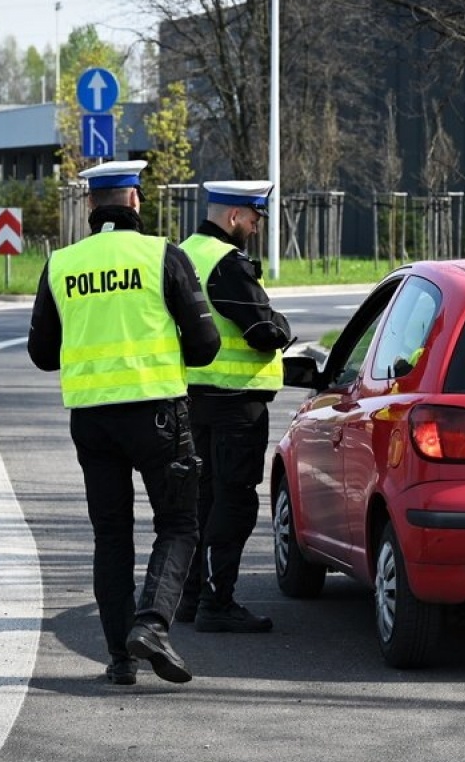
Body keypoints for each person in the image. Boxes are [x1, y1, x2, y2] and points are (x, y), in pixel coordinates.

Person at [27, 159, 221, 685]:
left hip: (91, 422)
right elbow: (206, 347)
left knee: (111, 536)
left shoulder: (62, 263)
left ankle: (120, 658)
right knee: (179, 524)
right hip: (158, 415)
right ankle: (153, 624)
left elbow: (42, 354)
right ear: (135, 200)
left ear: (91, 205)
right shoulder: (164, 255)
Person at [176, 180, 294, 634]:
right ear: (233, 217)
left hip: (192, 397)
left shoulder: (182, 254)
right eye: (253, 218)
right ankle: (217, 601)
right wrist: (282, 327)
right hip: (235, 402)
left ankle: (190, 597)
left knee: (202, 497)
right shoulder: (227, 263)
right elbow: (262, 329)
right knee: (235, 500)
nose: (256, 226)